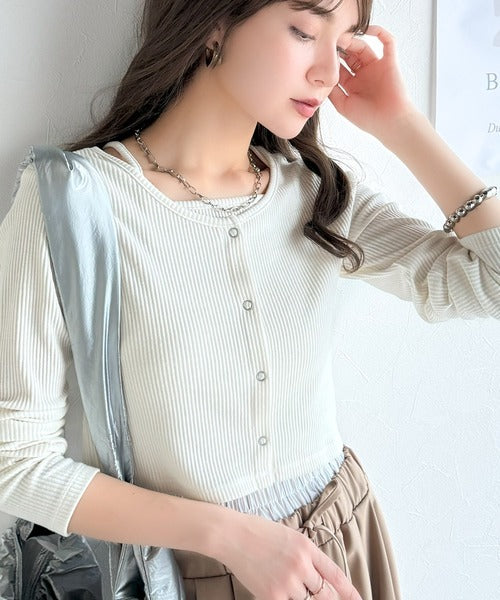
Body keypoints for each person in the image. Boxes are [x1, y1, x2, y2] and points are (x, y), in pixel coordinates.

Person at [1, 0, 499, 598]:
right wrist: (229, 536)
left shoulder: (318, 197)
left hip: (342, 542)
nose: (329, 72)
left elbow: (491, 283)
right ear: (214, 21)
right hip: (185, 573)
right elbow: (16, 462)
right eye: (304, 30)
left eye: (344, 43)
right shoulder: (75, 201)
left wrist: (400, 123)